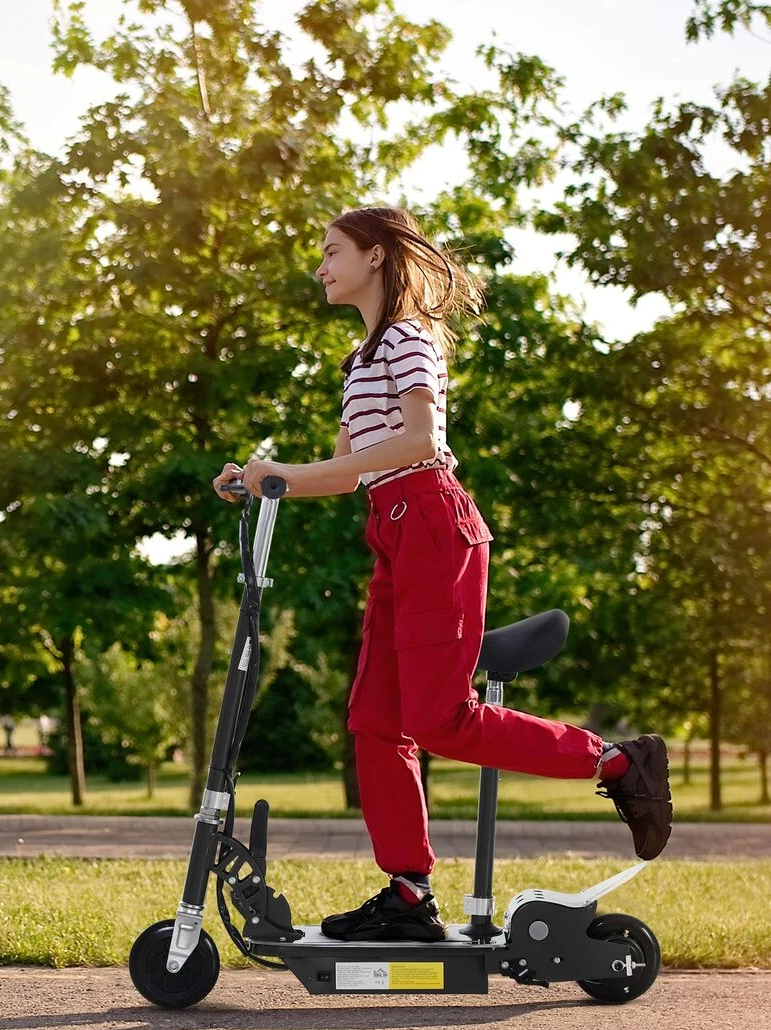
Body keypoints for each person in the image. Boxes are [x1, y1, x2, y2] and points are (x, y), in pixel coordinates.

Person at [213, 206, 673, 943]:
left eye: (332, 252)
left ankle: (618, 761)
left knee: (438, 719)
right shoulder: (360, 359)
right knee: (374, 719)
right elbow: (346, 472)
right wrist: (266, 480)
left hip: (432, 522)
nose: (320, 267)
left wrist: (285, 472)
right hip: (393, 531)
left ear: (375, 255)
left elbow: (422, 439)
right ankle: (407, 892)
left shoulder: (408, 338)